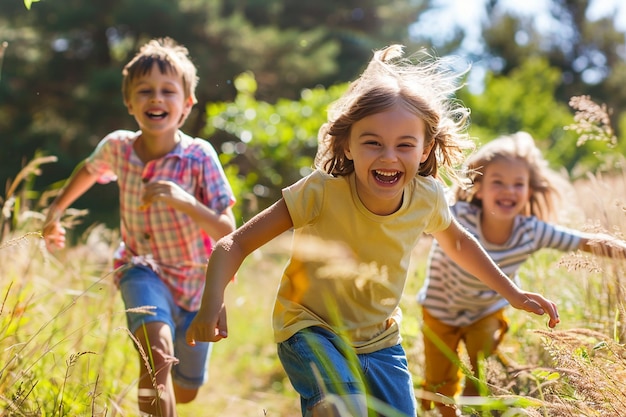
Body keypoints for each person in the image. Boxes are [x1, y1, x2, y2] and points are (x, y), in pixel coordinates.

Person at [185, 46, 560, 417]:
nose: (388, 157)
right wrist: (212, 300)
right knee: (344, 408)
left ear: (426, 148)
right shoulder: (321, 192)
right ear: (347, 145)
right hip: (311, 328)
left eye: (404, 145)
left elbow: (459, 242)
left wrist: (511, 292)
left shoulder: (425, 197)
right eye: (372, 143)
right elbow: (234, 243)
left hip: (380, 341)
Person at [42, 37, 236, 417]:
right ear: (129, 103)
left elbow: (226, 230)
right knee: (156, 356)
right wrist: (56, 211)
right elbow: (89, 169)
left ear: (187, 104)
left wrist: (184, 201)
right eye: (144, 91)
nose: (156, 99)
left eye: (168, 91)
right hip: (140, 268)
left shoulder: (199, 156)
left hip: (196, 283)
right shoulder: (117, 148)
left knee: (186, 391)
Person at [417, 131, 626, 417]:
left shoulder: (531, 231)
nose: (509, 190)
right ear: (478, 187)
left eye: (519, 184)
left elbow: (583, 241)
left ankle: (471, 407)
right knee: (440, 382)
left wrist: (621, 248)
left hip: (486, 313)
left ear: (529, 191)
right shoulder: (457, 216)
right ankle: (446, 410)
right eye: (498, 182)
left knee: (480, 374)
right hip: (439, 311)